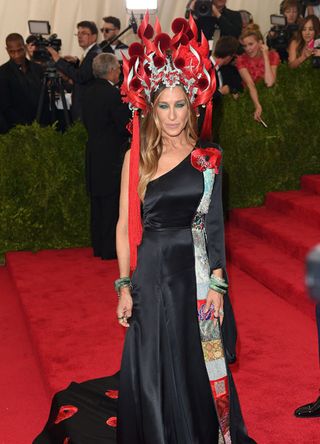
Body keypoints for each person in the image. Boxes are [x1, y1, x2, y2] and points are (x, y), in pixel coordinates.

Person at [33, 14, 256, 444]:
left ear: (192, 103)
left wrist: (217, 284)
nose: (172, 116)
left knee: (201, 358)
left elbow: (213, 227)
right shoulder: (136, 159)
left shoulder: (209, 156)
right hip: (151, 271)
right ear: (151, 108)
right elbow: (122, 224)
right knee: (152, 361)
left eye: (179, 104)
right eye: (163, 105)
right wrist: (123, 284)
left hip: (194, 273)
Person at [82, 53, 131, 260]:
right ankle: (110, 249)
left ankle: (98, 246)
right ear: (111, 70)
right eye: (118, 68)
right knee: (112, 202)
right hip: (111, 154)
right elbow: (124, 125)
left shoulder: (87, 91)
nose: (120, 71)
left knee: (98, 203)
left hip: (93, 151)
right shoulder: (112, 94)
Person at [47, 20, 101, 121]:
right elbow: (86, 72)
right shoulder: (91, 52)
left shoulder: (94, 54)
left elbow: (80, 77)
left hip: (85, 106)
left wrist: (57, 59)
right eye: (78, 33)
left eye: (84, 33)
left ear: (94, 36)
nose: (80, 36)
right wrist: (76, 62)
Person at [0, 33, 48, 134]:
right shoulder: (3, 73)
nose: (16, 55)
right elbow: (5, 106)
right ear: (7, 50)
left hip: (40, 126)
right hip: (15, 130)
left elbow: (44, 99)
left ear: (25, 47)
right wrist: (25, 127)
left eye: (20, 50)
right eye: (12, 52)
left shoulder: (38, 69)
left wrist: (42, 125)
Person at [236, 24, 280, 122]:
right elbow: (250, 85)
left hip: (271, 97)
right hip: (250, 98)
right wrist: (258, 105)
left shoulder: (273, 56)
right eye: (244, 46)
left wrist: (265, 56)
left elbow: (269, 83)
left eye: (251, 44)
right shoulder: (241, 60)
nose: (248, 49)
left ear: (260, 43)